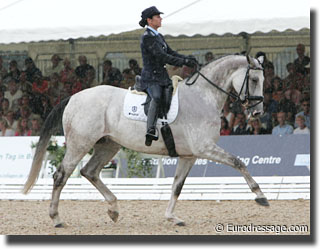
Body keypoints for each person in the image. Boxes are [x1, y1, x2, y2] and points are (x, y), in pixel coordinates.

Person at [138, 6, 198, 146]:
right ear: (149, 20)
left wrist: (187, 58)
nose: (161, 19)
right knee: (157, 97)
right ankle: (151, 129)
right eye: (158, 17)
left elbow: (171, 53)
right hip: (151, 78)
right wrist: (183, 62)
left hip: (162, 77)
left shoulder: (159, 36)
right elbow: (162, 57)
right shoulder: (147, 38)